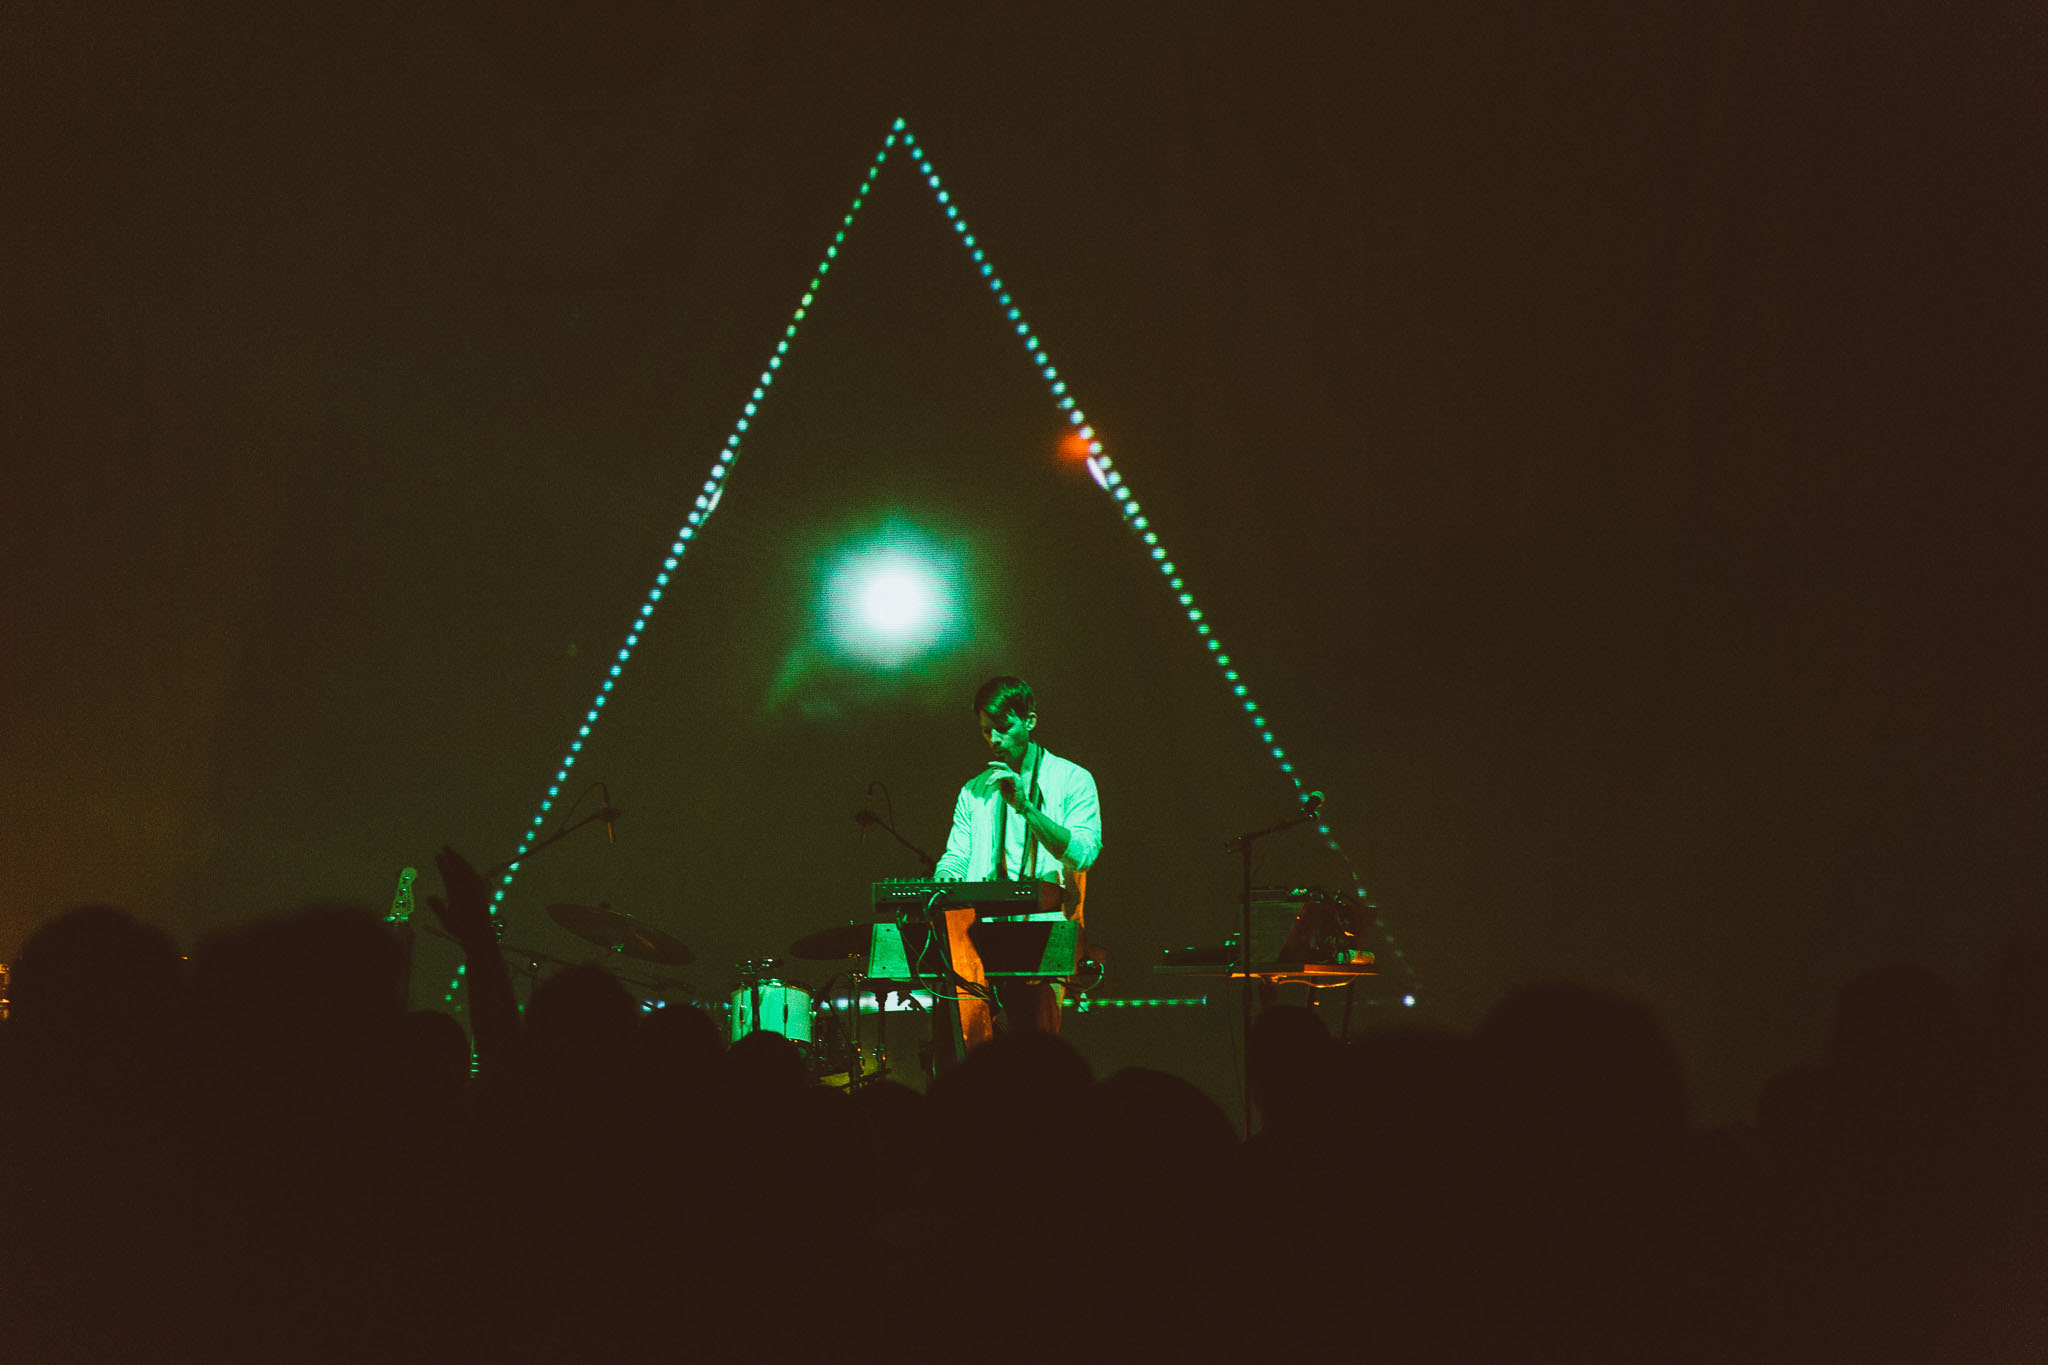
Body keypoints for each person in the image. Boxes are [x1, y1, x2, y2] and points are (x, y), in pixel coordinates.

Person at [932, 676, 1101, 1051]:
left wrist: (1025, 807)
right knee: (971, 1059)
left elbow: (1084, 853)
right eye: (986, 731)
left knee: (1033, 1060)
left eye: (1003, 727)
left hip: (1043, 939)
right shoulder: (973, 790)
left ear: (1030, 721)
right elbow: (956, 856)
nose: (994, 739)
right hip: (977, 941)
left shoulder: (1073, 779)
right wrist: (941, 880)